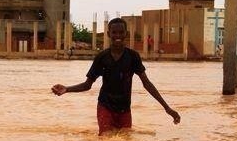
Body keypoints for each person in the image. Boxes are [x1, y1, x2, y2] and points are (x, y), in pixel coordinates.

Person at [51, 18, 181, 135]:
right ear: (109, 34)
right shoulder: (102, 57)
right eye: (114, 33)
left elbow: (147, 83)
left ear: (126, 34)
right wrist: (67, 89)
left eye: (121, 33)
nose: (117, 36)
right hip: (105, 107)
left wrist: (167, 108)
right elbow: (87, 85)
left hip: (125, 109)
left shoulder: (133, 57)